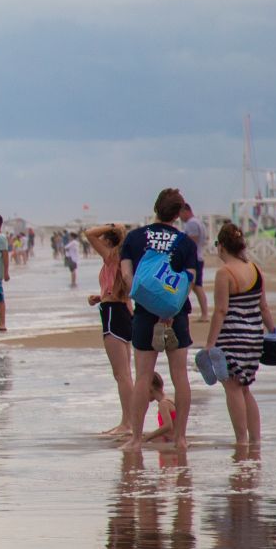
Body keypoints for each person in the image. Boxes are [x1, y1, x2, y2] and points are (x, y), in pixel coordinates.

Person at [119, 187, 200, 450]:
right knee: (180, 377)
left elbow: (128, 278)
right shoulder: (186, 242)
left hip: (144, 315)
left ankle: (135, 439)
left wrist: (149, 304)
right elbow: (189, 280)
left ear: (156, 207)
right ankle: (181, 438)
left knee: (142, 377)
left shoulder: (134, 238)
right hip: (176, 315)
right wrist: (169, 309)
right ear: (178, 214)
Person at [204, 222, 275, 450]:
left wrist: (210, 344)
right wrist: (274, 333)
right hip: (254, 337)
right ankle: (255, 440)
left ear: (222, 246)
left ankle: (241, 441)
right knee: (245, 388)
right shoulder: (256, 269)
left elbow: (221, 310)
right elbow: (264, 307)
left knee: (232, 388)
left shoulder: (224, 273)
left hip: (232, 337)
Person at [83, 222, 136, 438]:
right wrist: (100, 296)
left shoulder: (112, 255)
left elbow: (88, 233)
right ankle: (129, 421)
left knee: (121, 374)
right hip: (121, 310)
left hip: (114, 314)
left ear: (108, 240)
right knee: (126, 374)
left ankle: (127, 423)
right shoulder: (120, 260)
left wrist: (114, 226)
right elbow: (120, 289)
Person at [180, 203, 209, 315]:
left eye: (180, 214)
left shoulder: (192, 223)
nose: (180, 217)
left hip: (195, 258)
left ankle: (204, 313)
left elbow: (192, 241)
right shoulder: (198, 222)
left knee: (195, 286)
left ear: (185, 211)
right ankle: (204, 313)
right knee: (197, 286)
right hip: (198, 256)